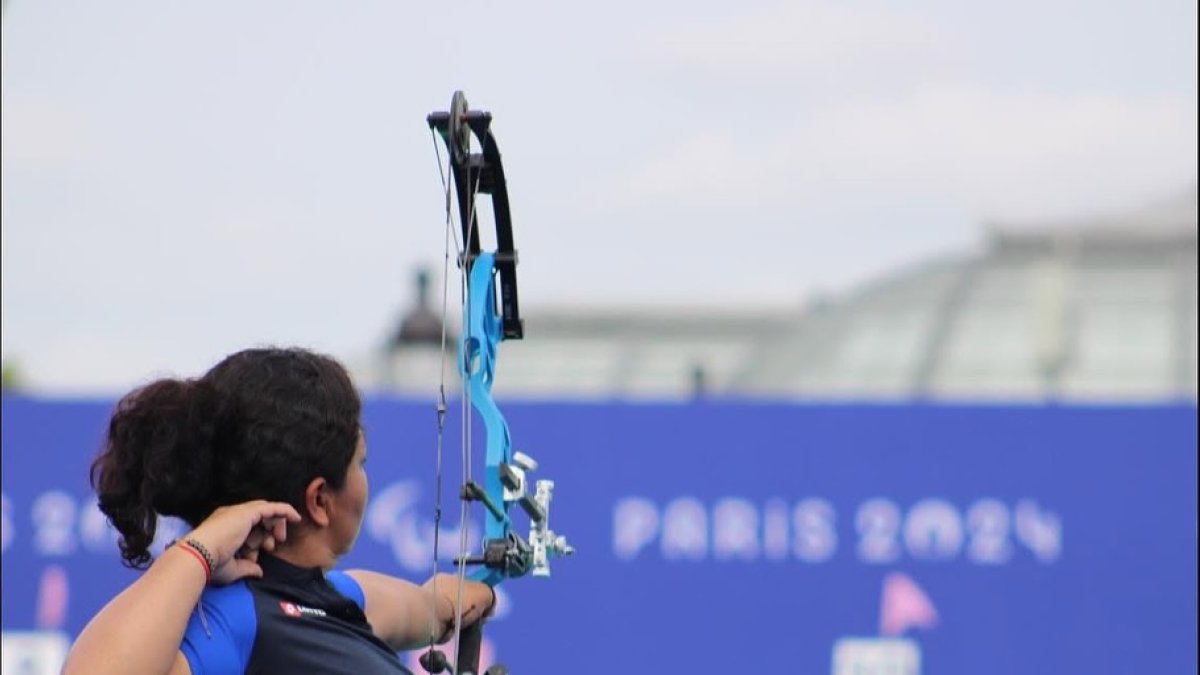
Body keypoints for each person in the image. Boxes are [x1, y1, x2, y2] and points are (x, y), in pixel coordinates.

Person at [62, 346, 494, 675]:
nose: (365, 478)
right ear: (319, 500)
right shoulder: (231, 618)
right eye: (360, 463)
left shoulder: (343, 598)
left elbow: (429, 605)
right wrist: (199, 549)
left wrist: (479, 591)